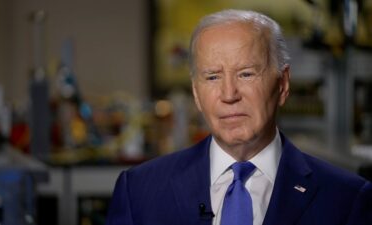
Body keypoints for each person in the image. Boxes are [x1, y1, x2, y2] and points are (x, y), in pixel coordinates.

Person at [106, 9, 372, 225]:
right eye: (212, 77)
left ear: (282, 84)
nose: (229, 94)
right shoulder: (139, 192)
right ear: (196, 93)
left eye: (246, 73)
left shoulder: (346, 199)